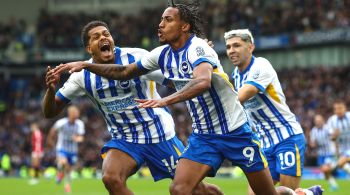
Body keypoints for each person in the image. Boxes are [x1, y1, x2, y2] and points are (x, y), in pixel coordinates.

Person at [53, 3, 323, 195]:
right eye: (160, 19)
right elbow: (124, 72)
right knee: (179, 189)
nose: (160, 24)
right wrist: (86, 66)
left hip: (236, 131)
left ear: (183, 26)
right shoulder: (161, 54)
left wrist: (165, 101)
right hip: (204, 136)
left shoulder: (198, 48)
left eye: (167, 20)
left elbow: (203, 81)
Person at [43, 20, 221, 195]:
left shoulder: (137, 57)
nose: (103, 38)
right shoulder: (81, 77)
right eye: (96, 37)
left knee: (195, 190)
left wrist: (197, 60)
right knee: (111, 178)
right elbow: (50, 112)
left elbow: (176, 83)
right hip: (125, 140)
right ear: (89, 48)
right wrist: (51, 91)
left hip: (159, 134)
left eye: (106, 34)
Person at [225, 28, 308, 193]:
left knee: (287, 191)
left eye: (236, 45)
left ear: (250, 47)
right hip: (265, 143)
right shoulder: (235, 74)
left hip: (287, 137)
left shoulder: (261, 65)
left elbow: (243, 95)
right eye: (228, 47)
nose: (231, 51)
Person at [47, 105, 85, 193]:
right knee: (64, 163)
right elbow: (52, 131)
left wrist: (77, 139)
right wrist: (50, 141)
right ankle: (61, 173)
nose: (77, 115)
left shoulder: (79, 124)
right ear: (70, 114)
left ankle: (66, 184)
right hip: (62, 148)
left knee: (69, 170)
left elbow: (81, 137)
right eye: (75, 113)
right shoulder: (61, 123)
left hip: (73, 150)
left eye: (77, 113)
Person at [309, 114, 338, 191]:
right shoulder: (313, 131)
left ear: (322, 121)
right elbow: (312, 143)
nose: (318, 122)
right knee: (325, 173)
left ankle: (336, 166)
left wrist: (334, 136)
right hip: (320, 154)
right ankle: (334, 185)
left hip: (329, 153)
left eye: (319, 121)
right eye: (316, 121)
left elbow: (333, 136)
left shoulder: (327, 128)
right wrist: (312, 144)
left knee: (326, 169)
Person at [327, 100, 350, 177]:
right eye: (336, 109)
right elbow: (331, 138)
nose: (339, 110)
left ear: (345, 108)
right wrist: (335, 135)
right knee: (340, 164)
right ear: (334, 110)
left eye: (340, 108)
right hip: (341, 149)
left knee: (340, 163)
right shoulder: (331, 121)